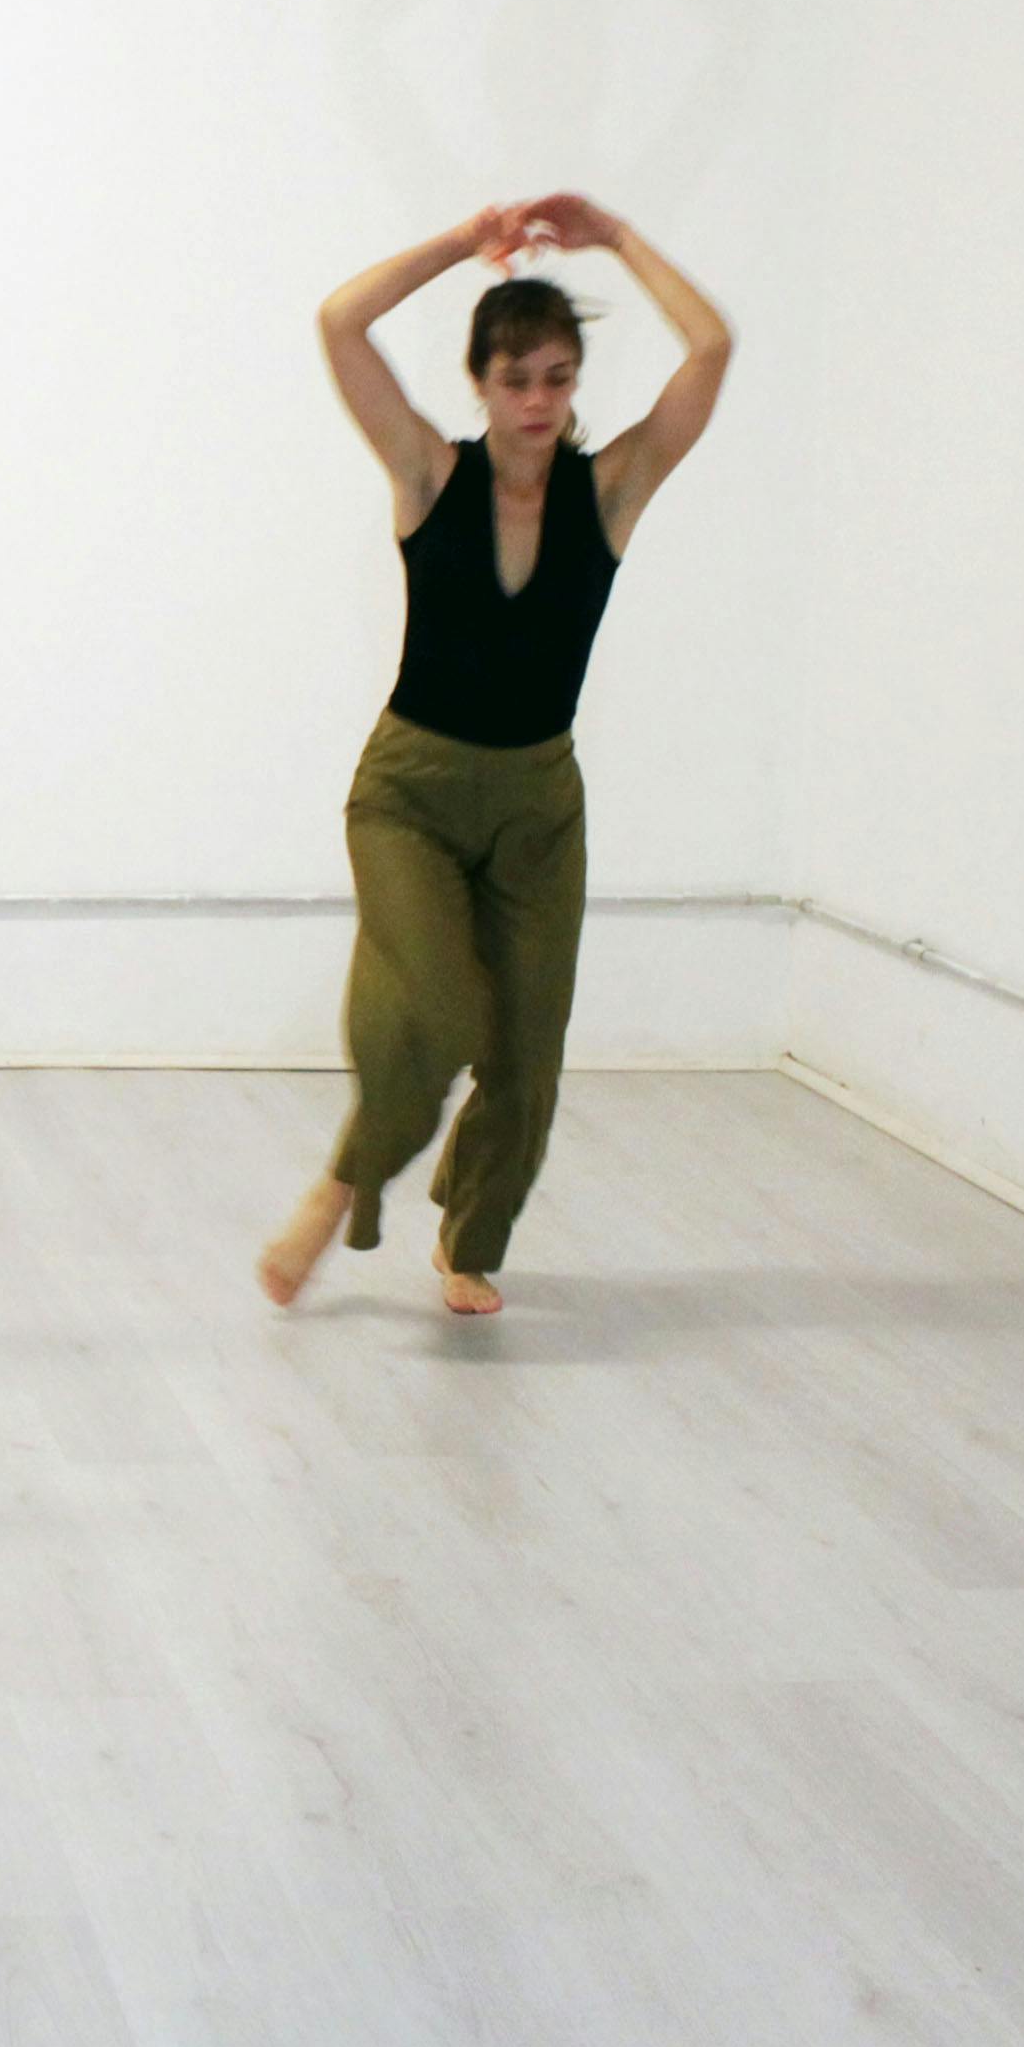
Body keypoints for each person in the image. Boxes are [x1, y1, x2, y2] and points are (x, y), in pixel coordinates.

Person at [258, 193, 732, 1316]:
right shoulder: (430, 475)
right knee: (434, 1009)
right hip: (410, 791)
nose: (537, 401)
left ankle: (470, 1240)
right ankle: (341, 1188)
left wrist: (617, 236)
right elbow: (339, 322)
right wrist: (462, 247)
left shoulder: (609, 491)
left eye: (558, 378)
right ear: (480, 381)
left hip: (538, 800)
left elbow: (712, 345)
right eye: (516, 378)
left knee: (526, 1046)